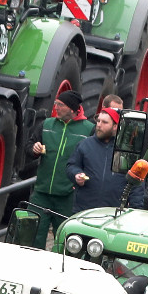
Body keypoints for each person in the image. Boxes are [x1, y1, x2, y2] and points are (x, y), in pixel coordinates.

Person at [30, 88, 94, 242]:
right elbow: (28, 146)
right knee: (32, 235)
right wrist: (34, 148)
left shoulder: (89, 130)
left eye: (60, 105)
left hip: (68, 197)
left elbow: (92, 162)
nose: (56, 108)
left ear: (72, 109)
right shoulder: (46, 125)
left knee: (65, 240)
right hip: (41, 193)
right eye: (56, 104)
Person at [65, 108, 126, 212]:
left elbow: (135, 181)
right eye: (98, 121)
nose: (99, 125)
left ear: (115, 126)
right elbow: (71, 166)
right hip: (84, 210)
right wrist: (76, 174)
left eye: (104, 122)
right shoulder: (85, 144)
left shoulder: (124, 150)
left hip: (112, 212)